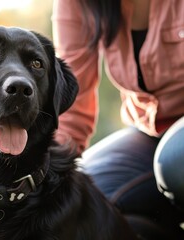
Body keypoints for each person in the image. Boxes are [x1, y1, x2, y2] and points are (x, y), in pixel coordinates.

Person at [52, 0, 184, 238]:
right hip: (150, 130)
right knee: (80, 204)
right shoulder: (77, 4)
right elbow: (71, 106)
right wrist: (43, 179)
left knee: (177, 160)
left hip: (176, 148)